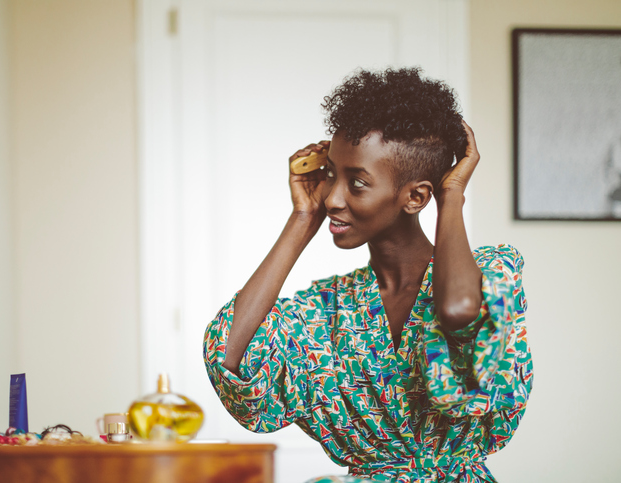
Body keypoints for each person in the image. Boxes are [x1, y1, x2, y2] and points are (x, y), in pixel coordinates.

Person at [203, 67, 533, 483]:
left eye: (356, 182)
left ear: (415, 197)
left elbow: (457, 311)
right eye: (331, 176)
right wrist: (303, 217)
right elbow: (229, 360)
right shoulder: (324, 311)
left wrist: (451, 198)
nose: (333, 198)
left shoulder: (492, 271)